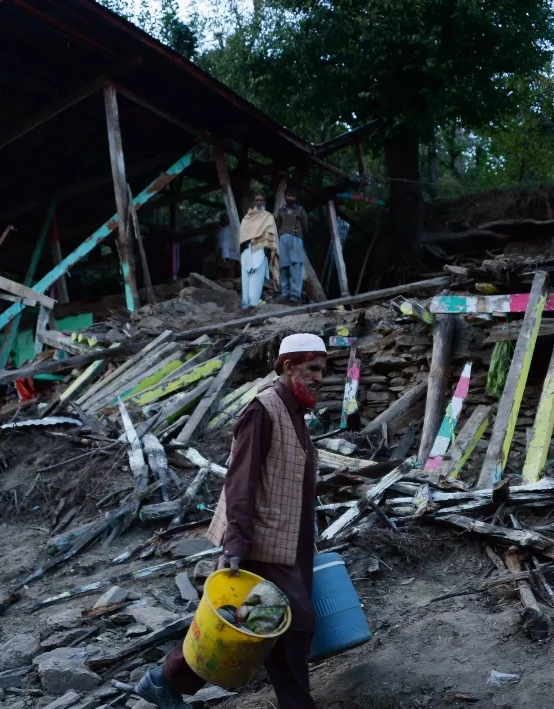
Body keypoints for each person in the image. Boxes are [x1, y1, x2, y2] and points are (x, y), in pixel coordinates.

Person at [136, 333, 327, 709]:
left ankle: (164, 680)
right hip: (260, 538)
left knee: (256, 618)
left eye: (323, 369)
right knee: (296, 623)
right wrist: (236, 543)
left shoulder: (297, 415)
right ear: (288, 367)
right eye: (313, 368)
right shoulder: (262, 410)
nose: (321, 377)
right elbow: (240, 481)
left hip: (288, 540)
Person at [238, 193, 280, 309]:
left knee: (256, 280)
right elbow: (242, 235)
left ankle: (253, 305)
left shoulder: (268, 217)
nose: (259, 202)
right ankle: (245, 305)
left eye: (261, 200)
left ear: (264, 202)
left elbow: (272, 237)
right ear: (253, 202)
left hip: (260, 251)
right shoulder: (247, 218)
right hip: (246, 251)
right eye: (256, 200)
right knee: (245, 280)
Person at [275, 189, 309, 304]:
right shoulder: (280, 211)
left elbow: (305, 227)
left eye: (292, 196)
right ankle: (285, 293)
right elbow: (278, 225)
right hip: (282, 238)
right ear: (285, 197)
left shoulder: (300, 210)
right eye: (288, 195)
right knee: (283, 267)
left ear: (295, 197)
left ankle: (296, 294)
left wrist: (298, 234)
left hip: (296, 238)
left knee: (296, 266)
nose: (290, 198)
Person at [214, 213, 238, 279]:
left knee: (230, 269)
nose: (225, 220)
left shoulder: (232, 227)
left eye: (226, 218)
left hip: (231, 253)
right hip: (220, 252)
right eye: (223, 219)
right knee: (220, 269)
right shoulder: (219, 229)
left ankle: (231, 282)